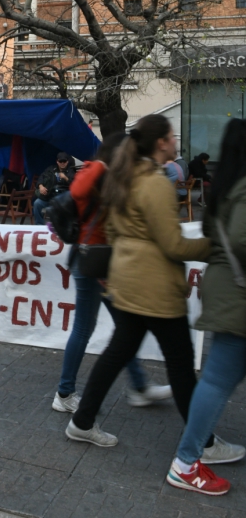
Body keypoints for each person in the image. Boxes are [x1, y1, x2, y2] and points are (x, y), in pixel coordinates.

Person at [66, 115, 244, 466]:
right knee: (179, 364)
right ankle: (203, 444)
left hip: (129, 281)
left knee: (117, 353)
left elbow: (117, 232)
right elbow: (175, 246)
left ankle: (82, 420)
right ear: (162, 142)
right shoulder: (157, 183)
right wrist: (215, 250)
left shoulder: (126, 176)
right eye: (172, 137)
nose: (176, 142)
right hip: (155, 288)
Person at [52, 133, 171, 414]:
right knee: (86, 328)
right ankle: (65, 393)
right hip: (94, 262)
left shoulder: (98, 173)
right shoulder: (102, 175)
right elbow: (93, 203)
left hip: (95, 261)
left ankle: (139, 387)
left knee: (124, 328)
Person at [167, 119, 246, 496]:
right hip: (237, 297)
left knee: (215, 380)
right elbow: (241, 238)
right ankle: (186, 461)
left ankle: (189, 458)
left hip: (227, 290)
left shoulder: (224, 188)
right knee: (214, 381)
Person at [33, 153, 76, 225]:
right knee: (37, 203)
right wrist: (41, 186)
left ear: (67, 162)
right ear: (57, 161)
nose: (62, 163)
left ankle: (62, 227)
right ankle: (39, 225)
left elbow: (75, 185)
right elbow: (41, 177)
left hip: (63, 199)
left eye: (64, 161)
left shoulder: (71, 172)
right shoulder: (51, 169)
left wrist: (66, 178)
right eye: (60, 161)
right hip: (49, 196)